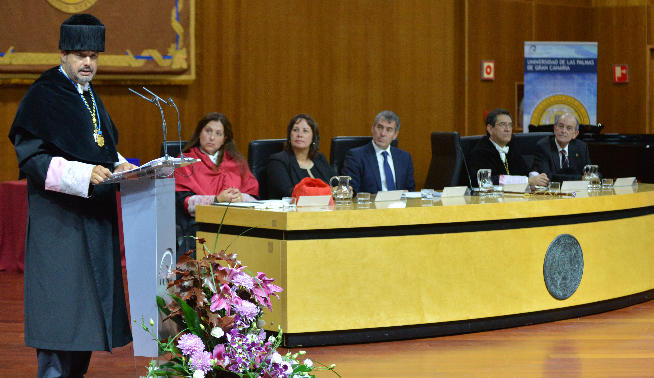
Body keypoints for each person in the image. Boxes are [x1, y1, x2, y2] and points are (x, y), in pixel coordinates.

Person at [7, 14, 135, 377]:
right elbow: (31, 158)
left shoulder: (89, 96)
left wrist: (123, 165)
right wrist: (83, 174)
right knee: (60, 316)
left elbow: (101, 147)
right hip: (59, 223)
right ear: (63, 54)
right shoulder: (45, 93)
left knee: (86, 322)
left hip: (93, 221)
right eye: (80, 55)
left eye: (94, 56)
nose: (88, 63)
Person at [174, 112, 258, 255]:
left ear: (224, 139)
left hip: (237, 222)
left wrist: (240, 198)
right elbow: (185, 203)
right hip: (201, 226)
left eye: (218, 134)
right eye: (208, 131)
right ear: (199, 133)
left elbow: (255, 199)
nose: (212, 138)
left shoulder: (237, 161)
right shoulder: (185, 161)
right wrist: (216, 200)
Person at [469, 108, 549, 187]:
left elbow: (525, 171)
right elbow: (486, 181)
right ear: (490, 129)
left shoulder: (512, 145)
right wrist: (527, 181)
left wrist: (536, 177)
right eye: (503, 124)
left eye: (510, 125)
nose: (508, 129)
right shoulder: (480, 151)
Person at [341, 110, 415, 194]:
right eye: (380, 127)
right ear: (372, 128)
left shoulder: (404, 157)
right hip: (370, 206)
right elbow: (351, 190)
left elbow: (410, 189)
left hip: (399, 205)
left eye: (389, 130)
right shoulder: (356, 156)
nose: (383, 133)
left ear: (395, 135)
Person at [266, 113, 335, 199]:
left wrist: (345, 189)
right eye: (295, 130)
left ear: (313, 138)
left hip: (325, 210)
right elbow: (288, 192)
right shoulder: (278, 161)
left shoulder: (319, 158)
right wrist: (328, 191)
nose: (299, 135)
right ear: (289, 135)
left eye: (305, 131)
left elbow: (336, 184)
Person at [532, 113, 591, 182]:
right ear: (555, 129)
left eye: (568, 128)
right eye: (561, 126)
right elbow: (547, 177)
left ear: (575, 134)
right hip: (552, 191)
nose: (563, 131)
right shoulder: (543, 147)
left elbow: (590, 171)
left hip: (575, 192)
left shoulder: (581, 147)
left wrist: (594, 176)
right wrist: (580, 178)